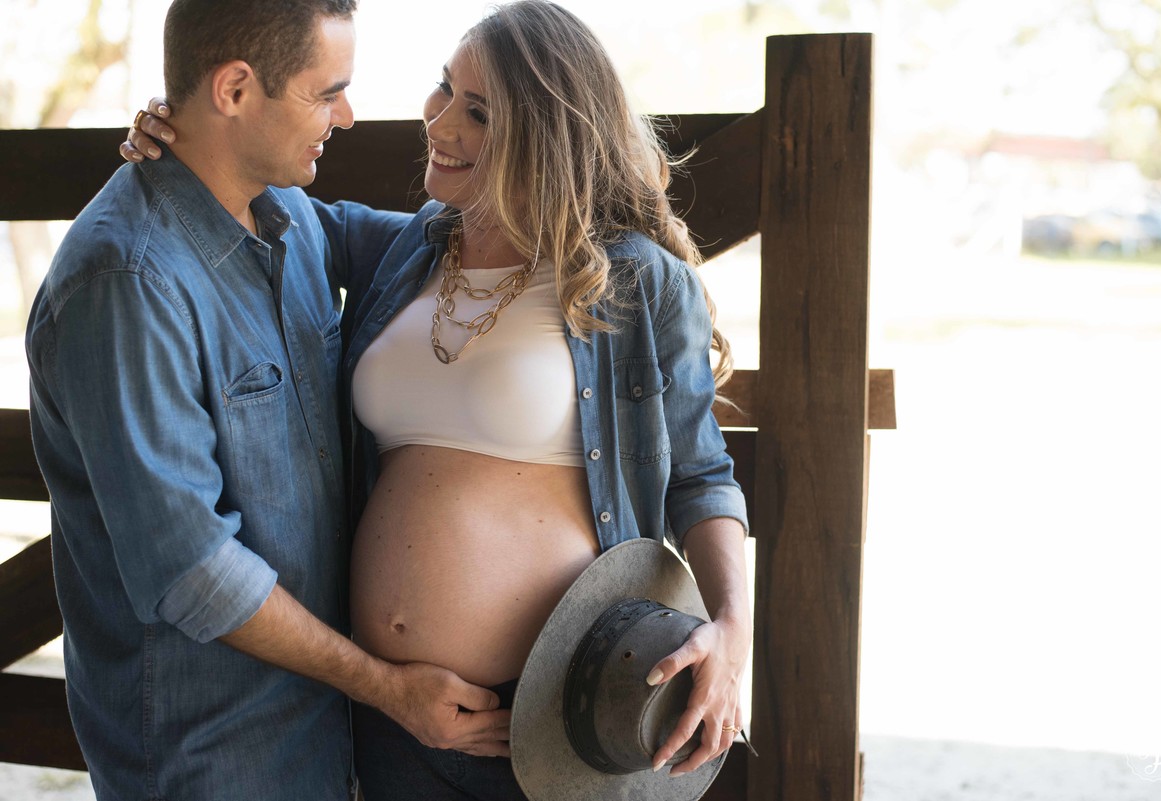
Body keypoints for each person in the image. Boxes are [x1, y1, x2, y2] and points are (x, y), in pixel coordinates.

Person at [125, 2, 751, 798]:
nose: (441, 121)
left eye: (479, 112)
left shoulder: (632, 279)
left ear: (547, 134)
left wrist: (733, 632)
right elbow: (247, 186)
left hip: (550, 716)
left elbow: (701, 474)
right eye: (444, 87)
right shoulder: (404, 251)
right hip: (389, 716)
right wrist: (186, 127)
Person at [29, 2, 507, 799]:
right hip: (210, 754)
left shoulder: (289, 215)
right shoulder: (127, 283)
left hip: (324, 734)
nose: (346, 117)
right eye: (327, 93)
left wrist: (601, 198)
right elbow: (192, 570)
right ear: (235, 90)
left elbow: (465, 245)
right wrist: (386, 688)